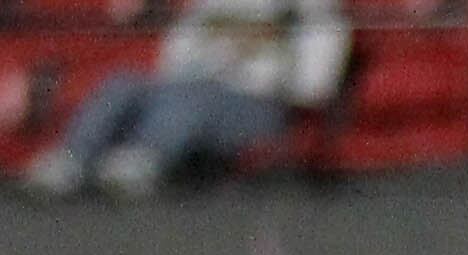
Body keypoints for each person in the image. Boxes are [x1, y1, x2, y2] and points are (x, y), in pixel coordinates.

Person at [18, 0, 340, 193]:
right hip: (196, 87)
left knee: (196, 97)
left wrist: (260, 76)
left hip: (263, 103)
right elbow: (178, 52)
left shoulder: (306, 6)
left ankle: (146, 157)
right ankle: (73, 157)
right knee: (122, 83)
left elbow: (317, 76)